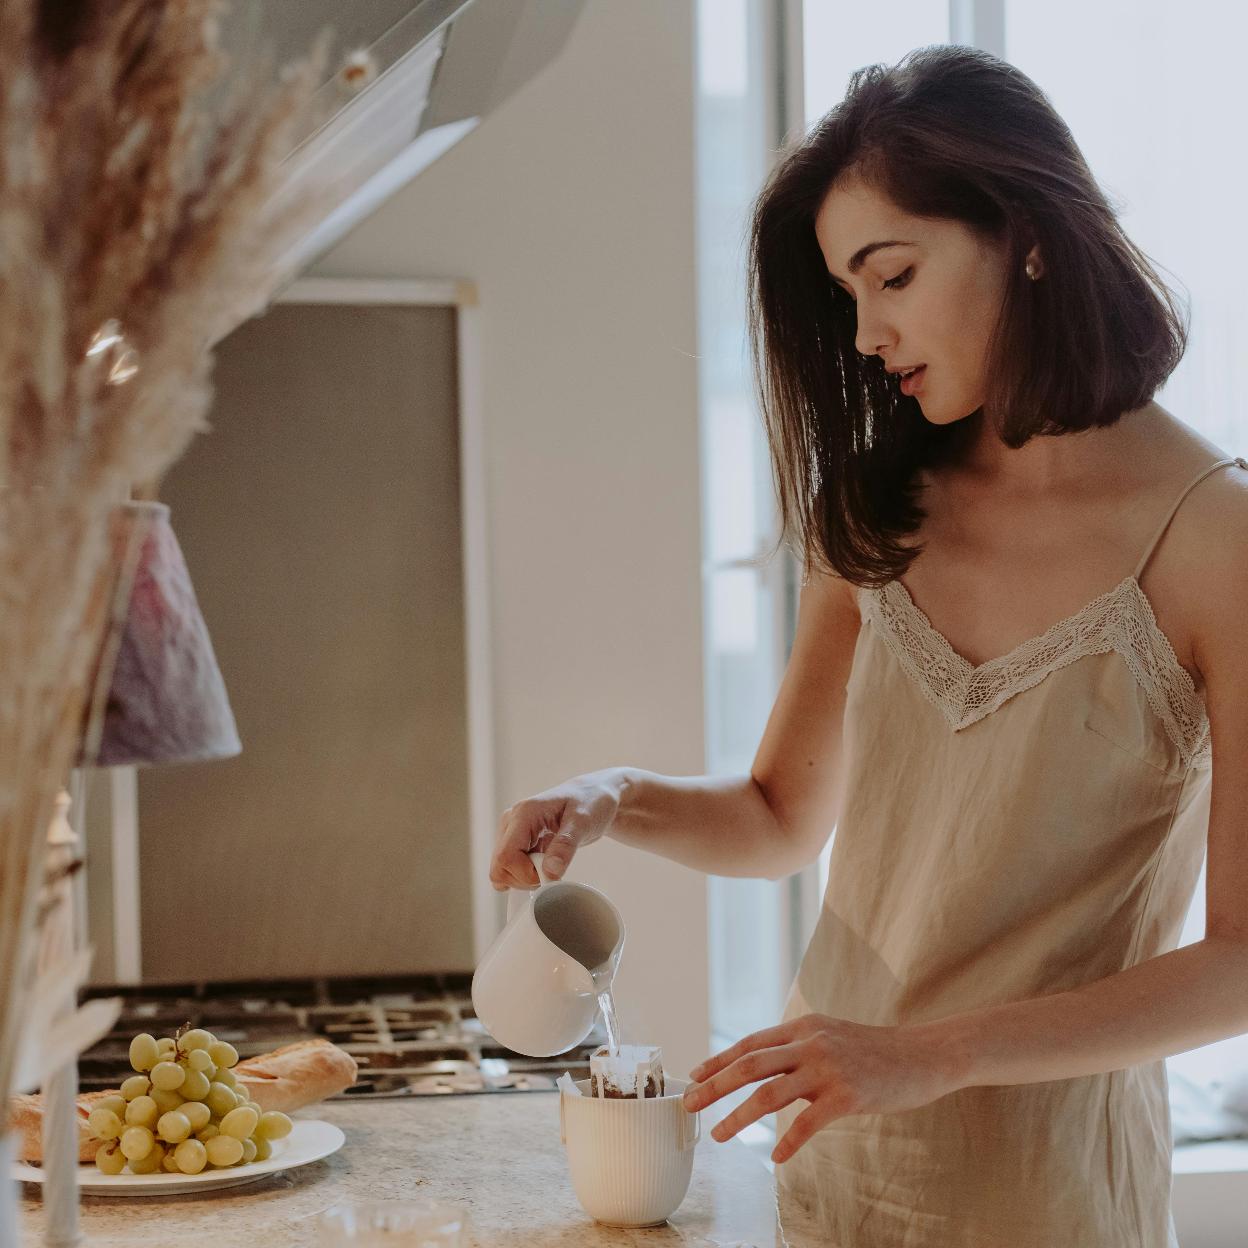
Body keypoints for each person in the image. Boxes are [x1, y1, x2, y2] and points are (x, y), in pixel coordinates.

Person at [489, 43, 1248, 1247]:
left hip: (1042, 1194)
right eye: (847, 293)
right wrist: (611, 798)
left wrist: (924, 1058)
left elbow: (1239, 965)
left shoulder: (1219, 539)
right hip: (828, 1160)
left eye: (889, 275)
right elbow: (782, 814)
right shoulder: (876, 511)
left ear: (1030, 232)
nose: (865, 332)